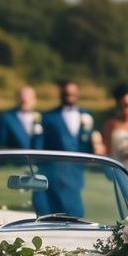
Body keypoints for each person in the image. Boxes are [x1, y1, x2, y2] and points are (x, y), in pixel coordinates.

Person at [40, 80, 103, 216]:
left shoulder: (87, 114)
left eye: (73, 93)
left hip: (79, 169)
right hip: (55, 170)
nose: (70, 95)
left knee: (76, 210)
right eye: (67, 93)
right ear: (61, 94)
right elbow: (42, 145)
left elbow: (92, 141)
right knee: (55, 209)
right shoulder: (48, 117)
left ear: (77, 94)